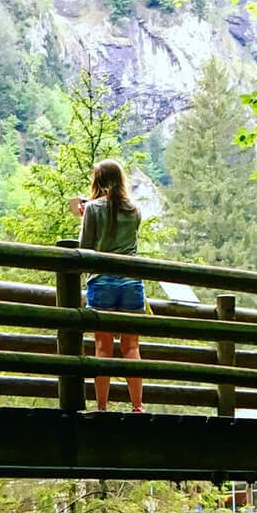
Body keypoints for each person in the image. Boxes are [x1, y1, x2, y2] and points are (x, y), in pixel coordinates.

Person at [73, 159, 145, 414]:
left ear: (99, 180)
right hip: (131, 281)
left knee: (103, 347)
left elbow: (85, 248)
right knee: (131, 346)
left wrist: (84, 218)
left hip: (101, 281)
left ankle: (102, 407)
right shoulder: (134, 210)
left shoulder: (92, 208)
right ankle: (137, 406)